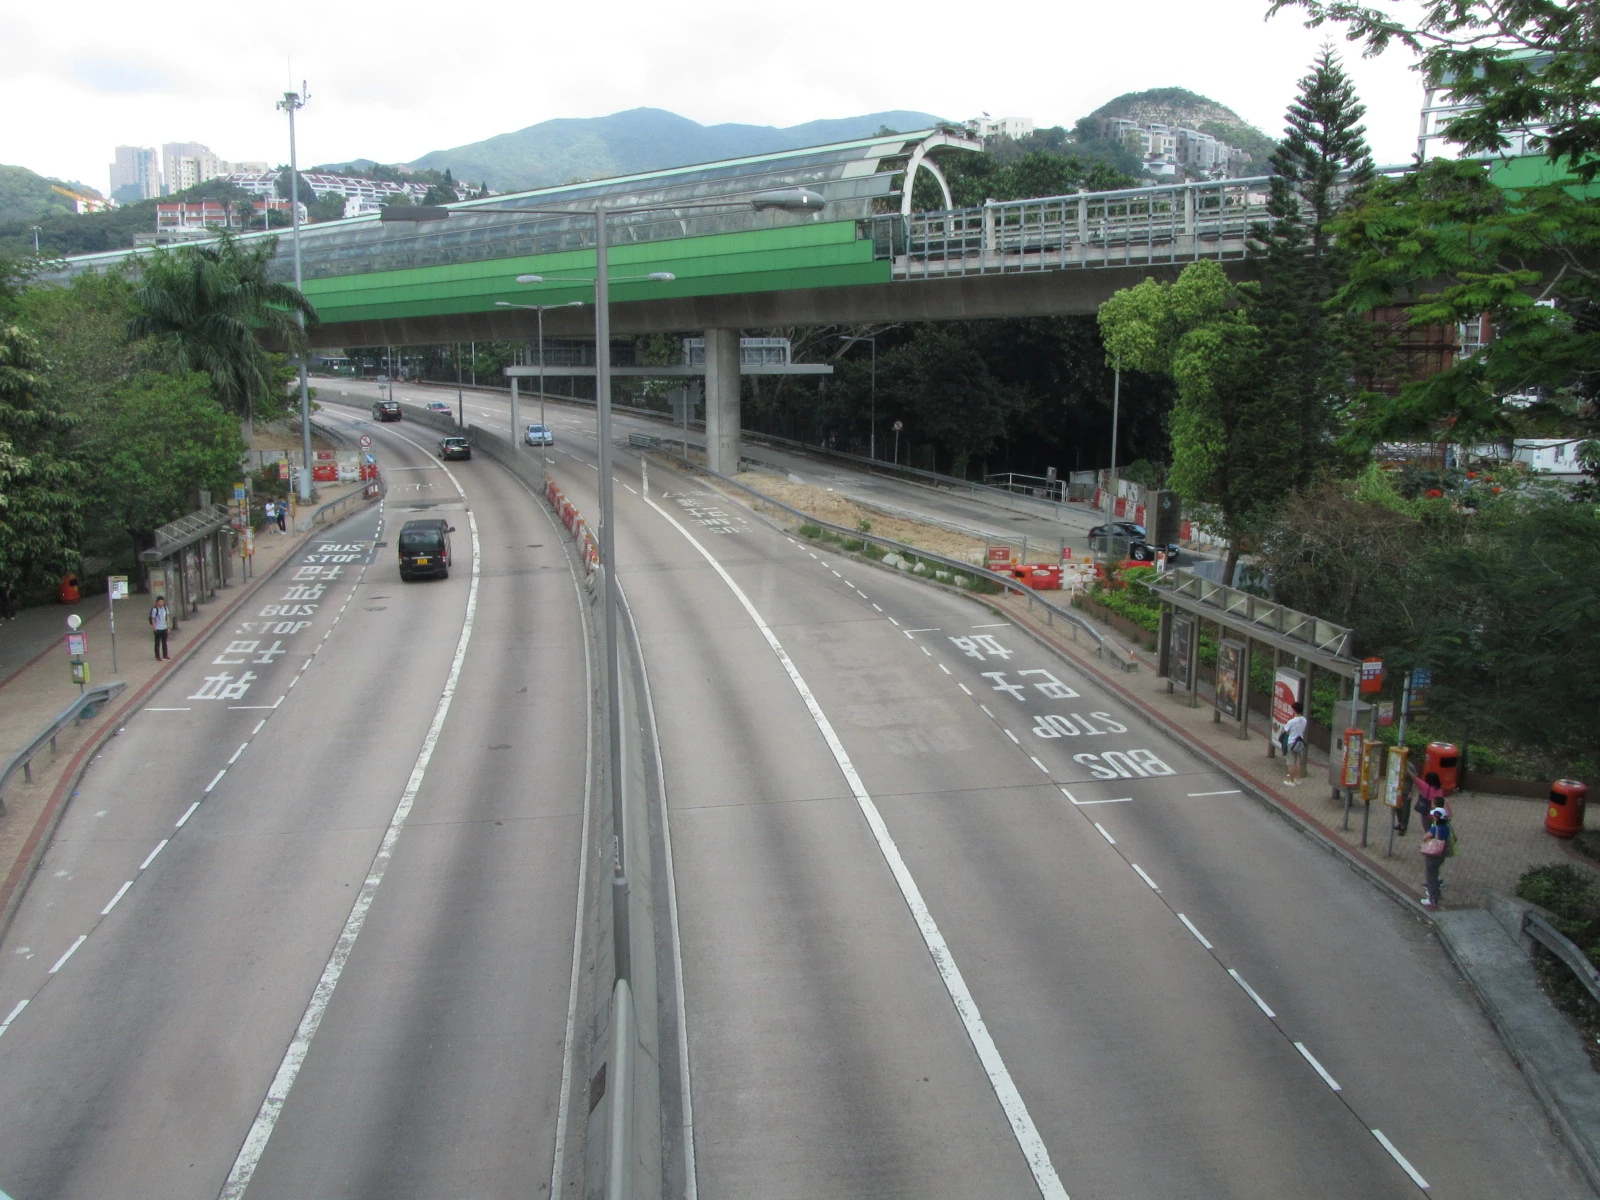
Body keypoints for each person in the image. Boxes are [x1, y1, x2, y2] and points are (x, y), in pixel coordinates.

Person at [1420, 805, 1454, 908]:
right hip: (1441, 854)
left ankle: (1432, 899)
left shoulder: (1435, 828)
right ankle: (1437, 894)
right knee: (1435, 874)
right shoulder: (1447, 827)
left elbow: (1425, 837)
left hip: (1433, 855)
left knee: (1431, 877)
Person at [1281, 701, 1309, 787]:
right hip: (1299, 742)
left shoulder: (1291, 721)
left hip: (1291, 742)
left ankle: (1291, 781)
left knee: (1290, 762)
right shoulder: (1304, 720)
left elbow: (1284, 731)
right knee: (1296, 760)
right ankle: (1297, 779)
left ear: (1294, 710)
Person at [150, 596, 171, 660]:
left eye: (162, 602)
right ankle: (157, 656)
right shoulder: (155, 609)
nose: (161, 603)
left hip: (164, 628)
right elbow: (153, 619)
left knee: (164, 643)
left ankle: (165, 655)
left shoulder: (165, 608)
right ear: (157, 602)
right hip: (158, 628)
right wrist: (154, 628)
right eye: (160, 602)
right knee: (157, 643)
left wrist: (168, 627)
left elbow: (167, 617)